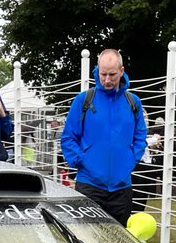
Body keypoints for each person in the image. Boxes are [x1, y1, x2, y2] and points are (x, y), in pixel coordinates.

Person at [61, 48, 147, 225]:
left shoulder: (133, 102)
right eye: (103, 74)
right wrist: (82, 161)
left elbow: (140, 136)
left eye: (112, 74)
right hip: (89, 185)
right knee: (88, 241)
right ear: (97, 70)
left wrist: (130, 159)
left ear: (121, 71)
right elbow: (68, 137)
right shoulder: (83, 100)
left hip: (122, 188)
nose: (107, 80)